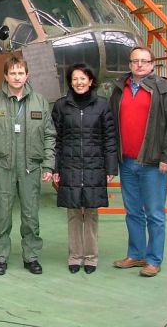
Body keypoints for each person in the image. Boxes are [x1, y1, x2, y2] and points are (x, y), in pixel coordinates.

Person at [0, 55, 55, 276]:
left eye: (21, 73)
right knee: (1, 215)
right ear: (5, 76)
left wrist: (48, 165)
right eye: (13, 73)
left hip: (31, 167)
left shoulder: (39, 102)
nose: (17, 77)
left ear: (27, 75)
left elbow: (49, 135)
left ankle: (31, 256)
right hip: (2, 166)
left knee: (30, 215)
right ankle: (0, 257)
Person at [110, 46, 167, 277]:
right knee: (132, 212)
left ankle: (153, 260)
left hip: (153, 163)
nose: (139, 65)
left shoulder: (163, 89)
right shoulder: (120, 89)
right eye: (135, 61)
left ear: (152, 64)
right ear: (130, 64)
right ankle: (136, 255)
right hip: (127, 162)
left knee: (154, 213)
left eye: (144, 61)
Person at [51, 63, 118, 274]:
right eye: (75, 79)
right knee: (73, 212)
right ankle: (74, 256)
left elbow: (109, 138)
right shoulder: (61, 106)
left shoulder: (102, 105)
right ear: (70, 82)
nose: (79, 82)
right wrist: (55, 167)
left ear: (90, 81)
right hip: (69, 166)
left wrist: (110, 167)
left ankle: (90, 257)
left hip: (94, 166)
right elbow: (55, 140)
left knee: (90, 212)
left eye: (83, 78)